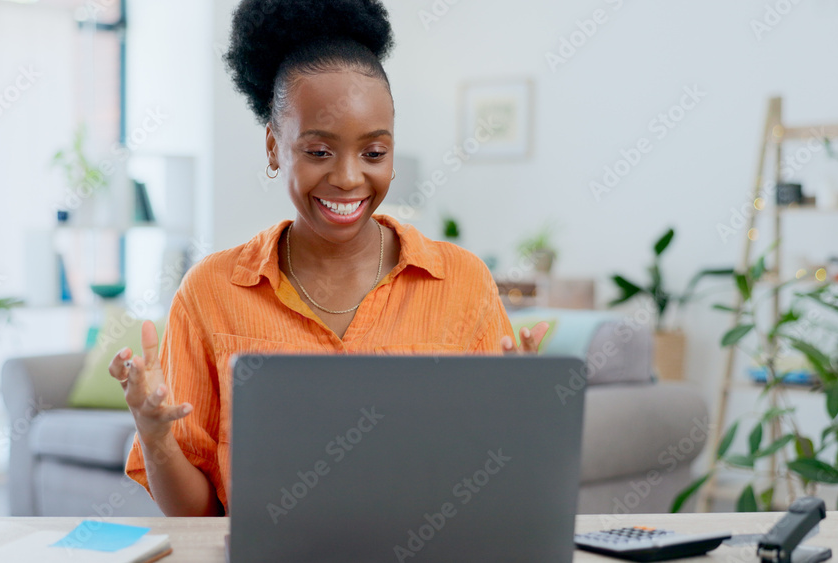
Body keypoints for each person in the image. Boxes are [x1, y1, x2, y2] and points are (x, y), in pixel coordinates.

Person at [107, 0, 549, 517]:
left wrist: (522, 420)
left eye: (374, 153)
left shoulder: (462, 283)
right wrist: (154, 436)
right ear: (274, 147)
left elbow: (492, 494)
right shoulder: (211, 292)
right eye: (319, 152)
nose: (347, 177)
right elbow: (197, 518)